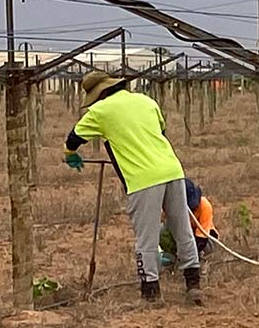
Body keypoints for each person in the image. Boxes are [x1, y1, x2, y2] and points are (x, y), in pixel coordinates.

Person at [64, 70, 203, 305]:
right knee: (182, 230)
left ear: (99, 94)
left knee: (146, 239)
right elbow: (161, 132)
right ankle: (193, 285)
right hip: (172, 170)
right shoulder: (146, 101)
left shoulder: (100, 111)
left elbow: (74, 138)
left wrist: (70, 153)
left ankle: (151, 292)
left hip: (142, 179)